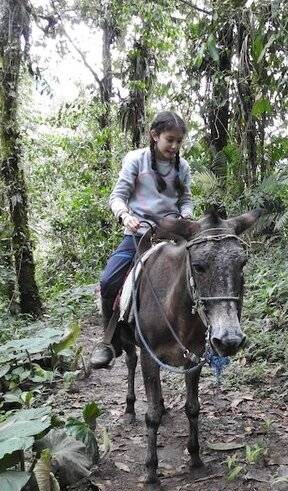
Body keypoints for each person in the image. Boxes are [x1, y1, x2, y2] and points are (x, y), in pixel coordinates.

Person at [88, 111, 194, 369]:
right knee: (109, 280)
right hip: (139, 235)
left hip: (173, 233)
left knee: (201, 272)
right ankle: (110, 340)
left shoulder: (183, 167)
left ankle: (202, 335)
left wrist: (186, 215)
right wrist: (125, 215)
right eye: (170, 139)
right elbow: (117, 196)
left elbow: (186, 199)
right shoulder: (136, 160)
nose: (174, 146)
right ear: (154, 135)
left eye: (179, 141)